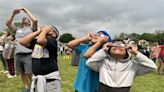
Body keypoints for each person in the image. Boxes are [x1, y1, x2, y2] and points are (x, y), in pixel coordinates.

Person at [86, 39, 157, 92]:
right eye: (114, 45)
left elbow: (153, 67)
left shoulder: (133, 65)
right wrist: (103, 51)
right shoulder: (103, 62)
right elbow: (89, 63)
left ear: (127, 51)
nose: (117, 46)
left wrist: (136, 53)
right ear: (108, 50)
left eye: (121, 45)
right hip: (103, 89)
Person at [19, 25, 61, 92]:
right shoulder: (36, 42)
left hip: (50, 80)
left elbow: (40, 40)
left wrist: (44, 31)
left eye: (49, 28)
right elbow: (22, 41)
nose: (44, 27)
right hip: (37, 78)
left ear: (53, 33)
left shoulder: (53, 41)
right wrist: (38, 32)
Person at [6, 7, 37, 92]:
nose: (25, 19)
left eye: (27, 19)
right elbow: (8, 23)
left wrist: (25, 10)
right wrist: (13, 14)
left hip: (28, 54)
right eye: (24, 18)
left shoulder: (32, 29)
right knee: (22, 72)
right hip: (18, 54)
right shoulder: (17, 30)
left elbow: (35, 20)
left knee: (29, 72)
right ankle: (26, 87)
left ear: (29, 22)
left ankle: (34, 87)